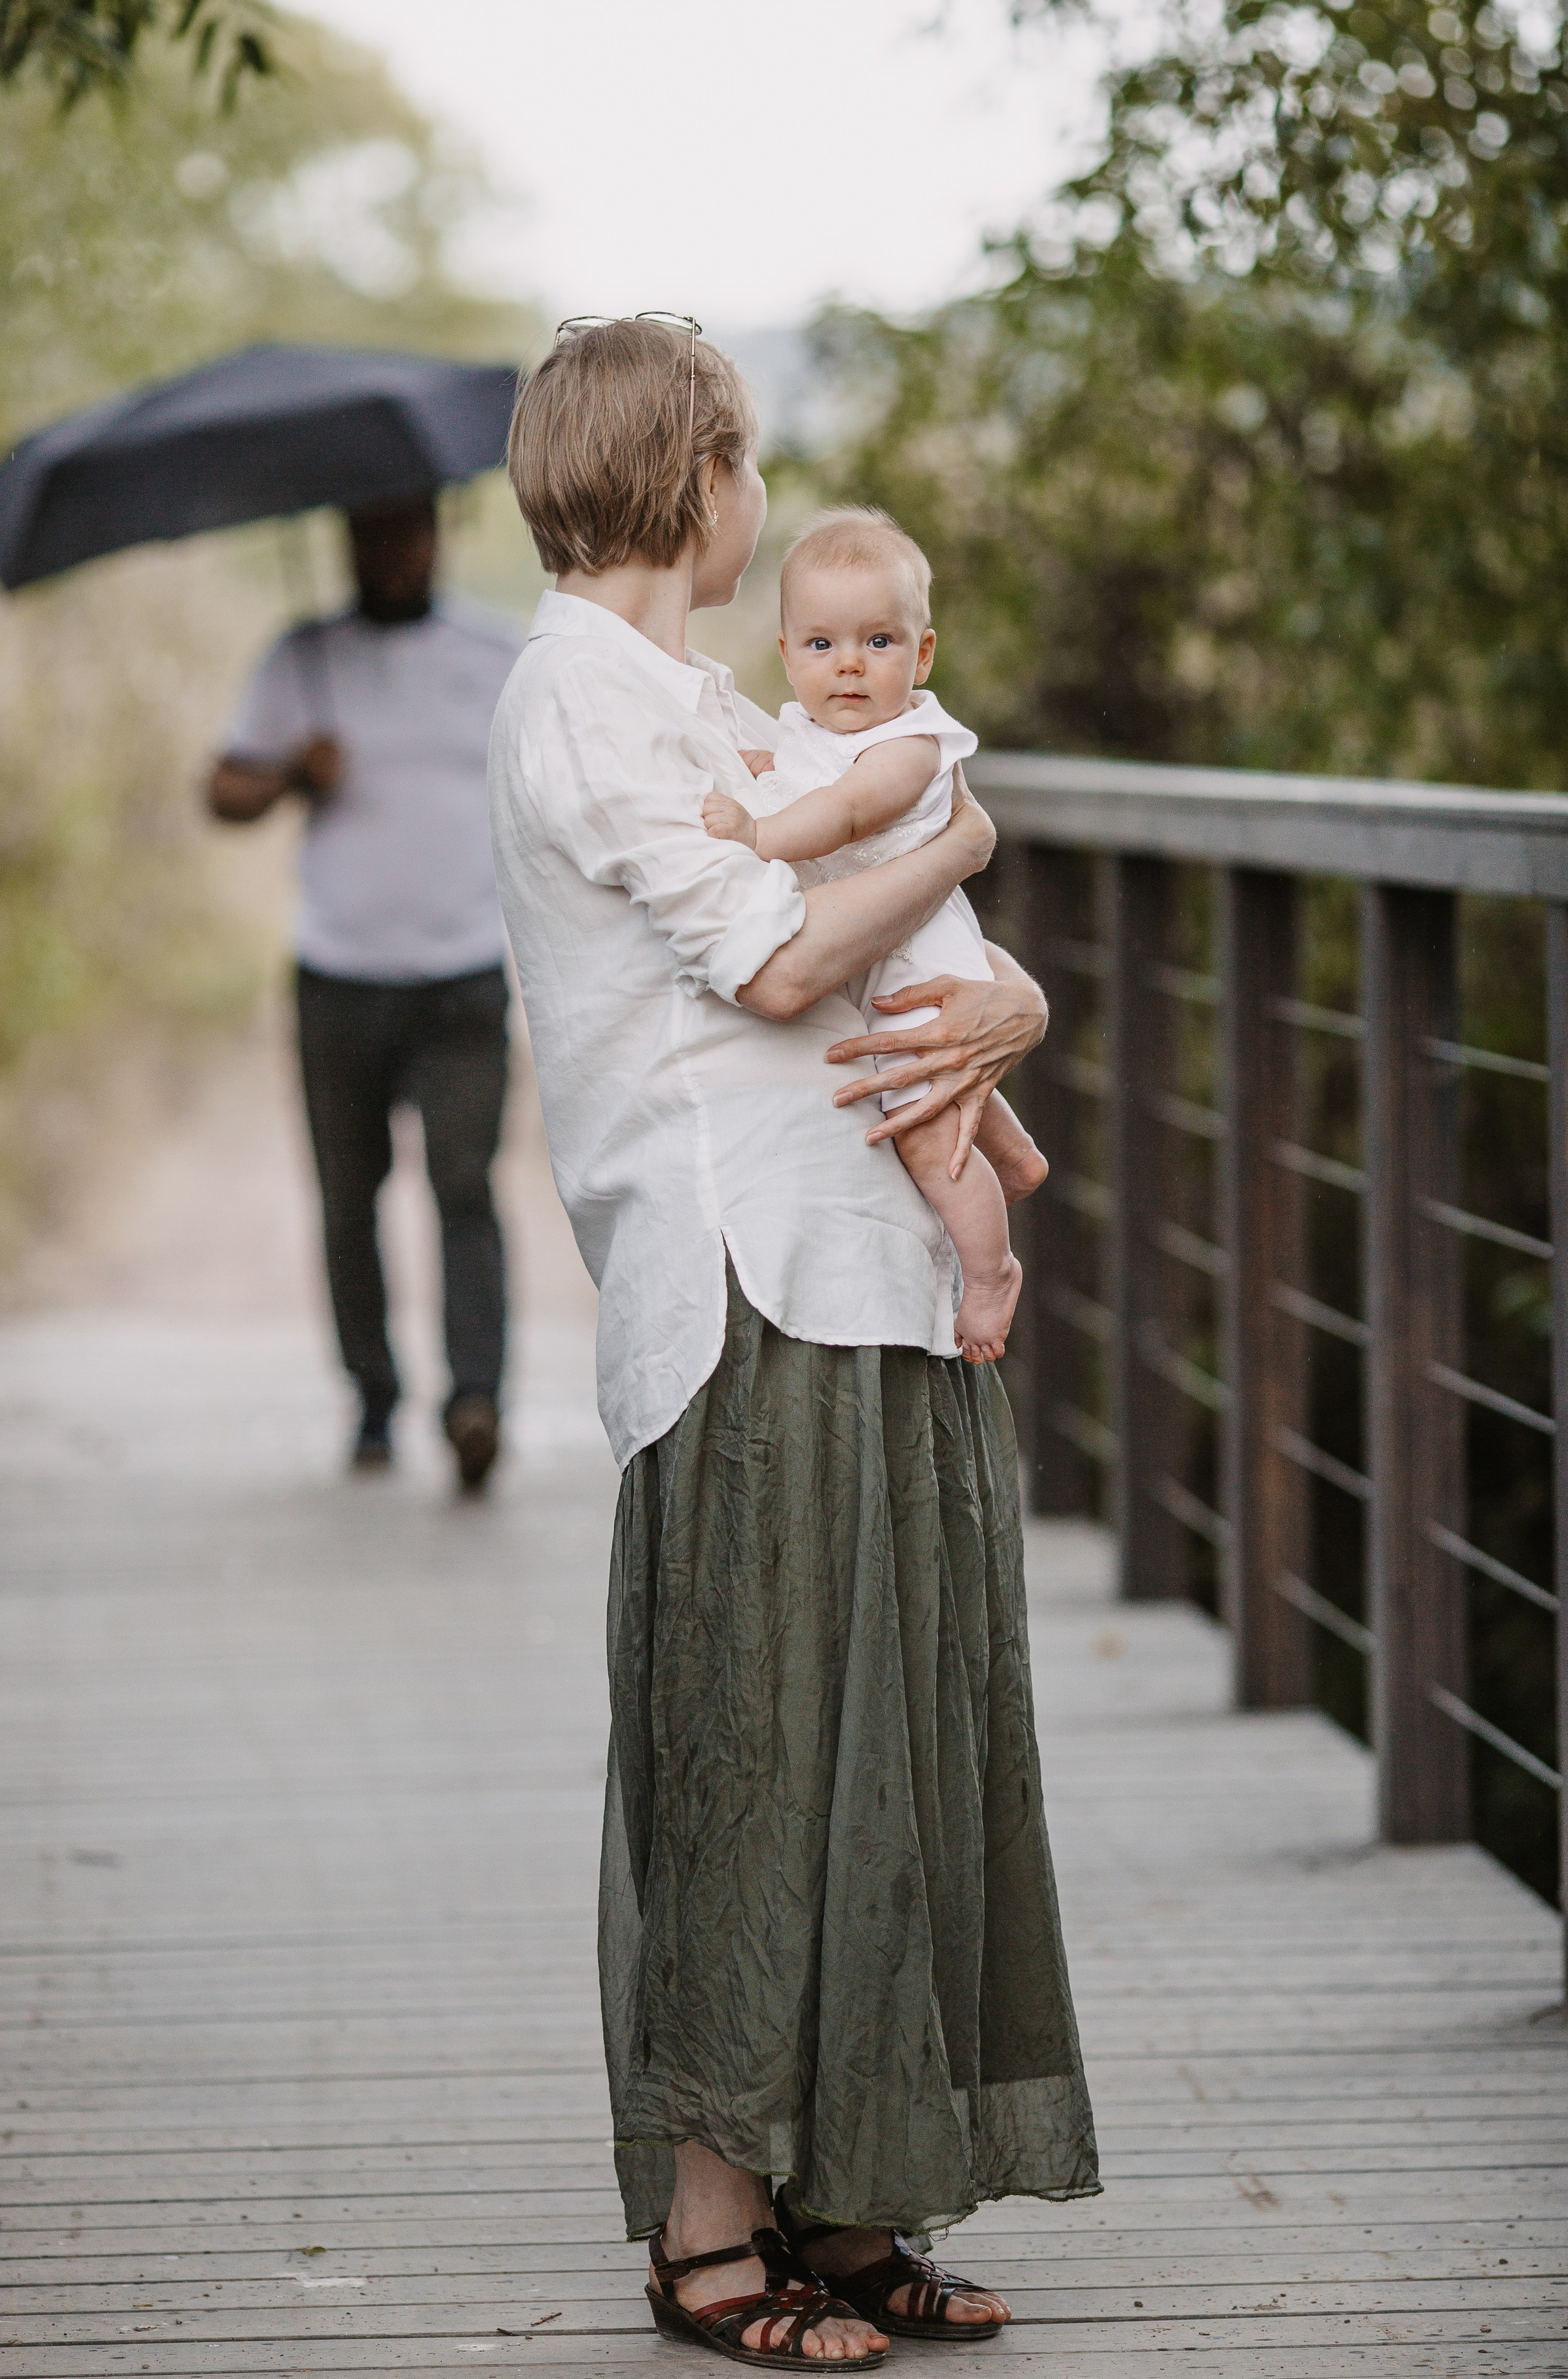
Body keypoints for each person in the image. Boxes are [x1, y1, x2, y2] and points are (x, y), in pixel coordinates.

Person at [489, 316, 1097, 2369]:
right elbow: (771, 960)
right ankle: (709, 2235)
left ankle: (849, 2203)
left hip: (866, 1273)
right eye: (749, 462)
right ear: (701, 478)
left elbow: (882, 922)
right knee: (759, 1756)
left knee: (891, 1739)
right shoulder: (584, 698)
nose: (760, 497)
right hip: (745, 1290)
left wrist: (986, 978)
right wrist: (970, 845)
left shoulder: (694, 695)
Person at [206, 496, 519, 1491]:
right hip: (339, 973)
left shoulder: (494, 654)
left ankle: (475, 1403)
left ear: (440, 530)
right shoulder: (302, 657)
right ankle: (373, 1399)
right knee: (351, 1198)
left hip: (465, 969)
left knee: (465, 1188)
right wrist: (295, 771)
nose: (392, 549)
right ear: (344, 538)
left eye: (409, 528)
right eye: (372, 531)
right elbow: (220, 791)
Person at [702, 503, 1043, 1366]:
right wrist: (753, 776)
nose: (849, 666)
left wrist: (756, 833)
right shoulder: (808, 736)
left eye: (878, 643)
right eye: (821, 646)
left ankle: (991, 1268)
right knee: (944, 1084)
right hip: (875, 951)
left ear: (921, 655)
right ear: (787, 655)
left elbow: (844, 811)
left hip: (914, 959)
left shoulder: (913, 746)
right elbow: (796, 778)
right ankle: (1016, 1158)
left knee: (928, 1121)